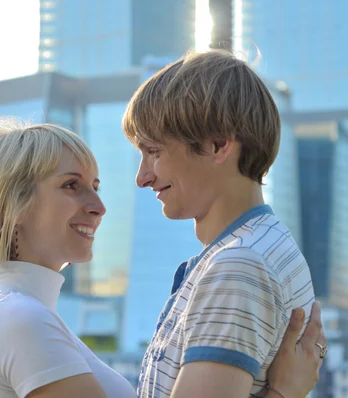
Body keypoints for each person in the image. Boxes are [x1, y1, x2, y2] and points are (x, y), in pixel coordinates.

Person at [0, 120, 324, 398]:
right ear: (13, 206)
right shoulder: (21, 321)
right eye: (71, 185)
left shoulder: (25, 318)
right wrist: (283, 392)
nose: (98, 207)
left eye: (95, 187)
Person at [122, 49, 324, 398]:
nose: (142, 178)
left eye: (154, 152)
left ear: (218, 145)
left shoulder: (237, 268)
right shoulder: (265, 245)